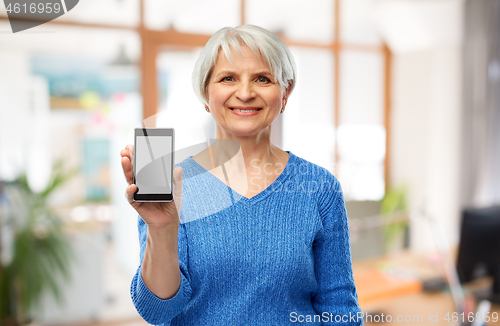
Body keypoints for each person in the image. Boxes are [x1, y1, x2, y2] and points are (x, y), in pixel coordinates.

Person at [120, 25, 363, 325]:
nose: (245, 93)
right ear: (206, 92)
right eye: (228, 78)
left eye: (262, 78)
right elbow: (157, 312)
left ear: (285, 93)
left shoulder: (320, 188)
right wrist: (161, 229)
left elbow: (340, 309)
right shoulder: (173, 183)